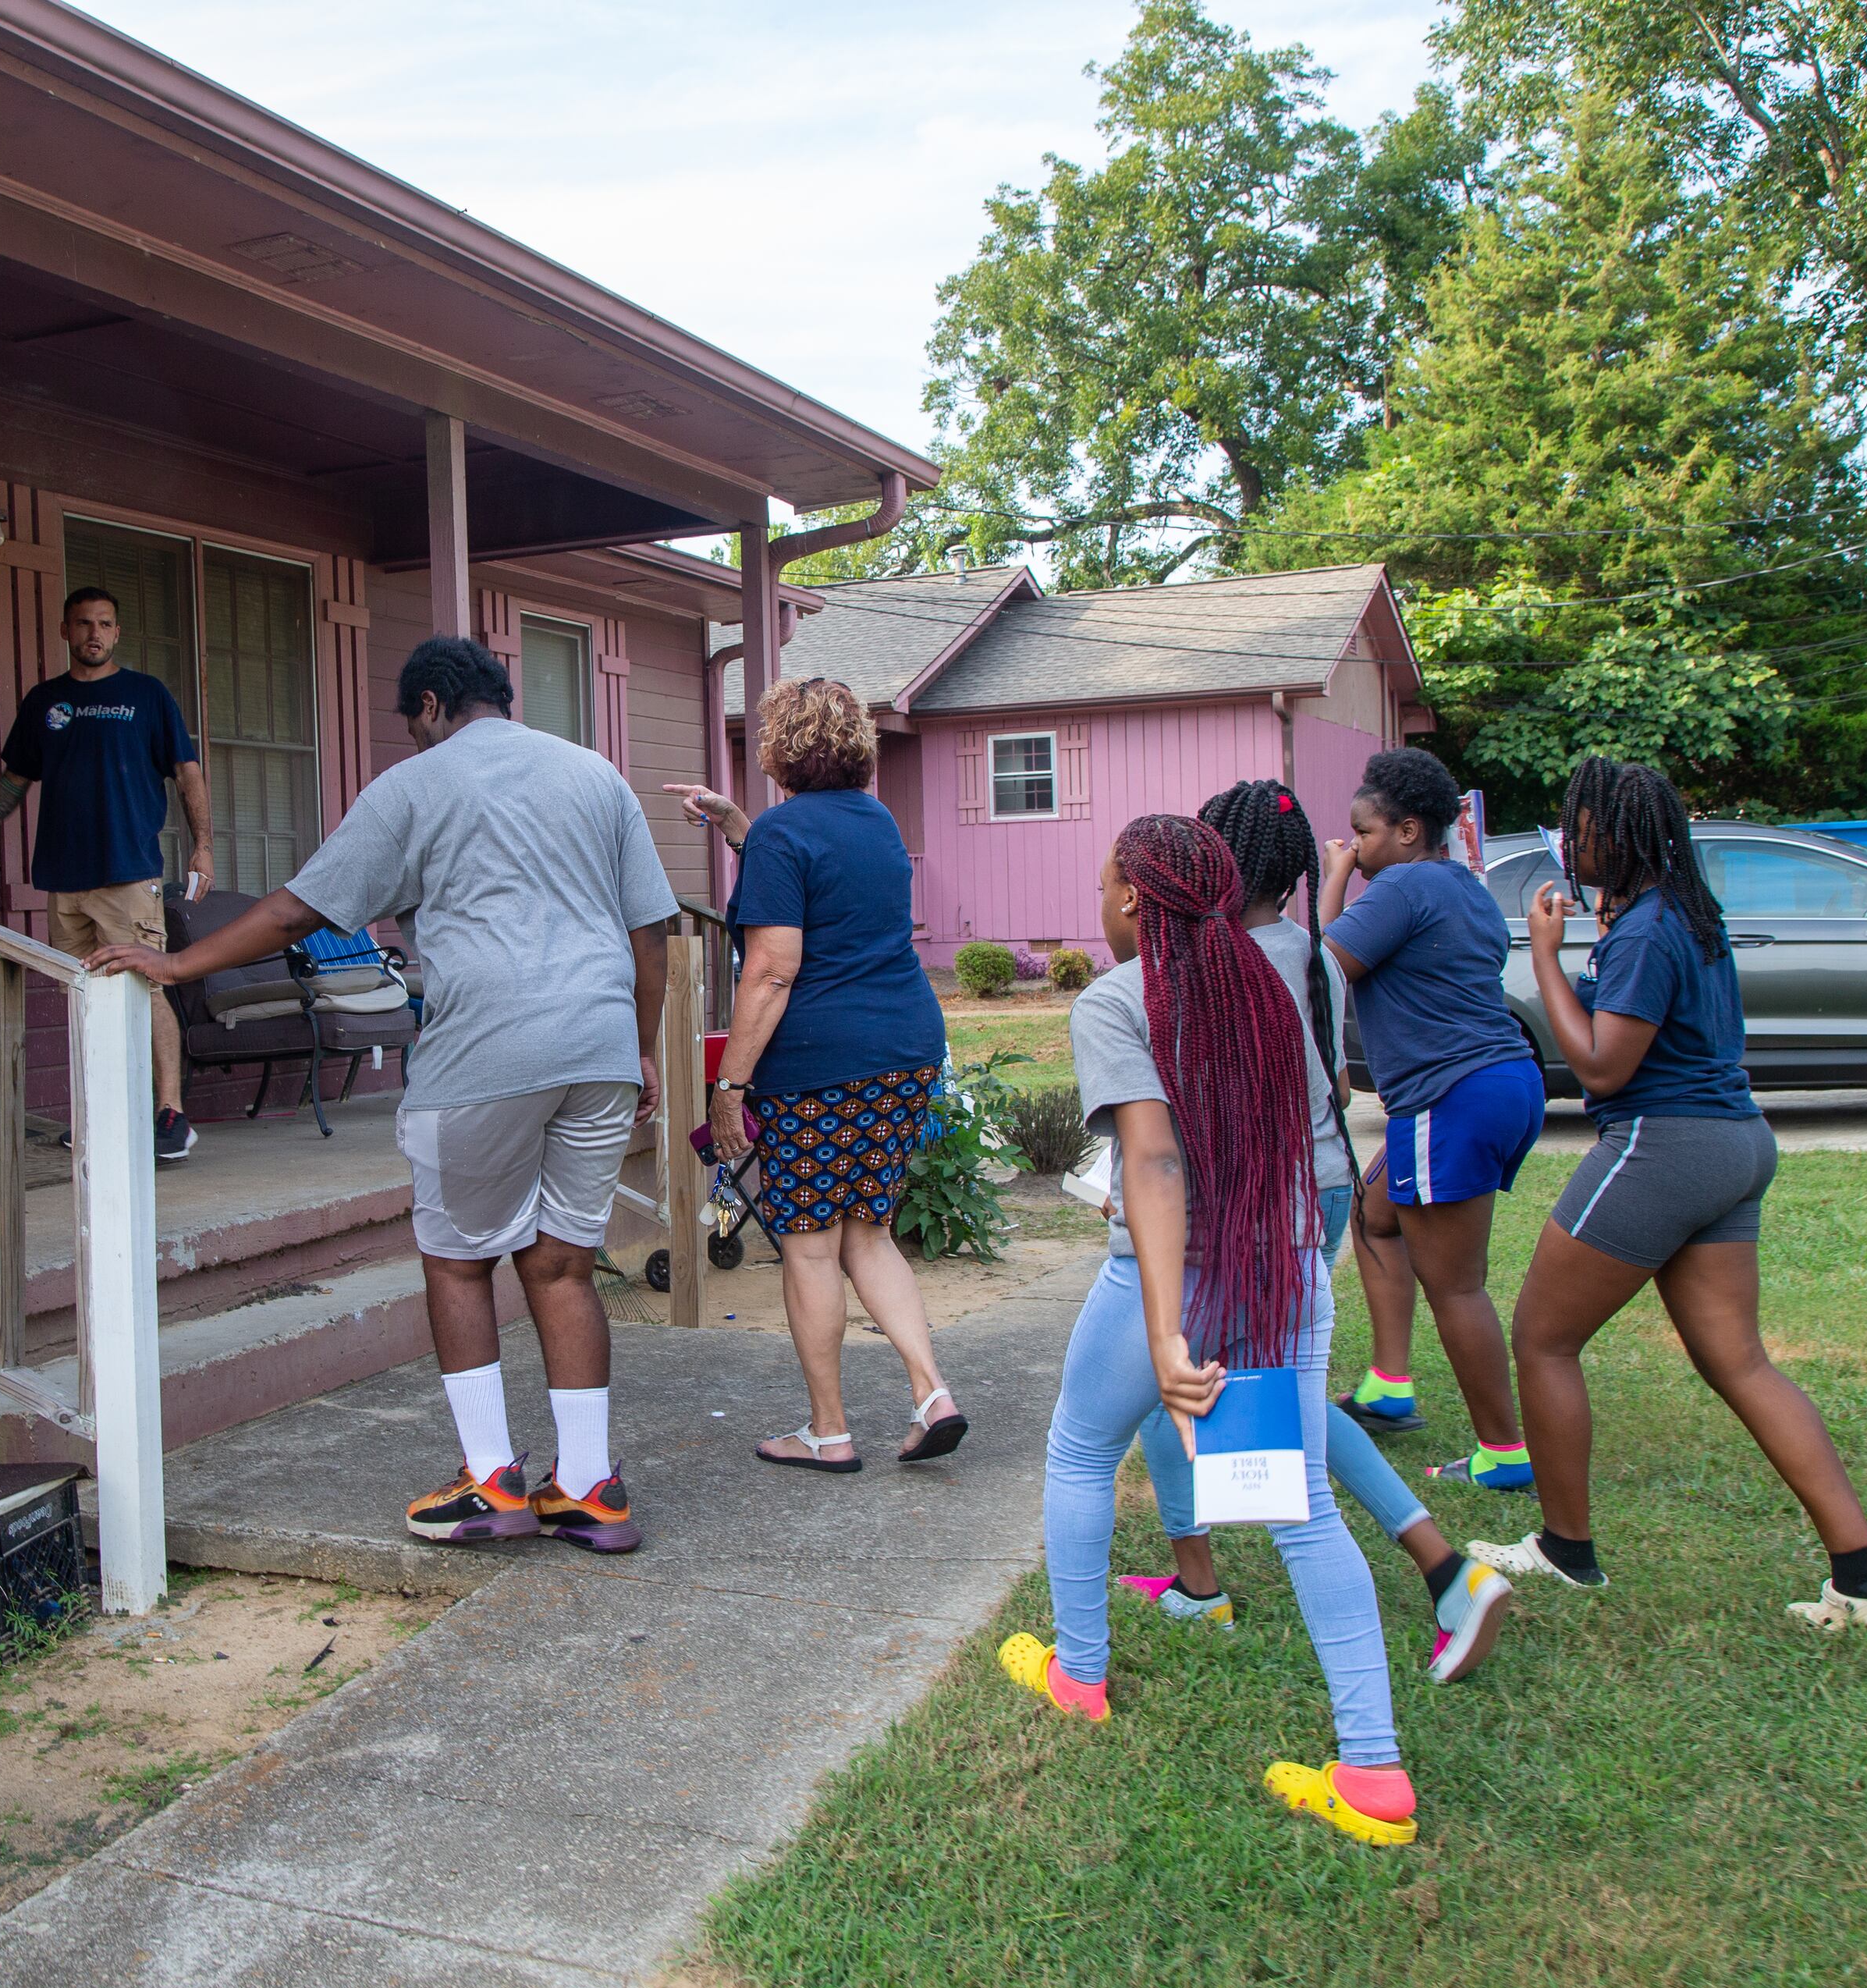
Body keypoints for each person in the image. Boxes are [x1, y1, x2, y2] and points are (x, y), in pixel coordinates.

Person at [84, 636, 678, 1553]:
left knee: (457, 1260)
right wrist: (638, 1048)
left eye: (411, 723)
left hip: (485, 1052)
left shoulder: (417, 786)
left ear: (434, 704)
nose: (413, 740)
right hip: (598, 1048)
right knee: (562, 1264)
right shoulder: (595, 774)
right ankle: (591, 1488)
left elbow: (297, 910)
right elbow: (653, 933)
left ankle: (493, 1485)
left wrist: (175, 960)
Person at [1003, 813, 1422, 1849]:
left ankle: (1081, 1675)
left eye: (1105, 886)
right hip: (1282, 1273)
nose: (1099, 906)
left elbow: (1152, 1163)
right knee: (1304, 1505)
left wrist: (1164, 1338)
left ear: (1135, 901)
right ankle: (1372, 1770)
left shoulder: (1116, 1000)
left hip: (1184, 1281)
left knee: (1081, 1446)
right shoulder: (1271, 985)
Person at [1474, 758, 1867, 1629]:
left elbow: (1601, 1063)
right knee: (1739, 1359)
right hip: (1734, 1142)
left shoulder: (1646, 929)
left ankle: (1566, 1548)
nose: (1568, 845)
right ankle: (1866, 1573)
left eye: (1581, 827)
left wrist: (1543, 955)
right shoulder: (1686, 911)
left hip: (1663, 1144)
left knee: (1542, 1337)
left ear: (1622, 833)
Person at [1121, 779, 1514, 1683]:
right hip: (1320, 1186)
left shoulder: (1224, 965)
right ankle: (1443, 1565)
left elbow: (1203, 1108)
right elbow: (1332, 1085)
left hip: (1248, 1200)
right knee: (1287, 1390)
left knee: (1171, 1378)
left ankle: (1204, 1584)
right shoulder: (1312, 953)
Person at [664, 680, 961, 1471]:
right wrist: (737, 827)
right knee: (868, 1229)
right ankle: (932, 1392)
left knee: (809, 1242)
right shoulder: (876, 822)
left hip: (818, 1068)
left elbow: (770, 971)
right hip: (905, 1049)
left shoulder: (784, 836)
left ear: (778, 748)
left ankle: (828, 1432)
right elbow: (819, 874)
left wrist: (729, 1086)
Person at [1319, 745, 1546, 1490]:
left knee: (1457, 1284)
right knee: (1376, 1212)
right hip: (1506, 1081)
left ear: (1410, 830)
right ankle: (1390, 1381)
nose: (1356, 847)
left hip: (1449, 1096)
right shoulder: (1465, 887)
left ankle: (1503, 1452)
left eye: (1365, 834)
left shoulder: (1402, 885)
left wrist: (1333, 880)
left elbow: (1316, 975)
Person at [0, 585, 210, 1163]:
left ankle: (171, 1116)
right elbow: (17, 779)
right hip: (65, 877)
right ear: (66, 631)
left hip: (127, 871)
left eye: (105, 624)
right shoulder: (46, 702)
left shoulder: (146, 695)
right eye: (84, 623)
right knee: (85, 996)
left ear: (118, 633)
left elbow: (187, 773)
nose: (94, 633)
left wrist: (203, 847)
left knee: (147, 987)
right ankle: (102, 1114)